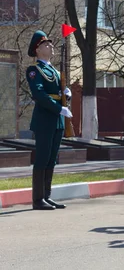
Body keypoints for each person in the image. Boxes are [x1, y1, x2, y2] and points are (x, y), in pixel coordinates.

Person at [26, 30, 73, 210]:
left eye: (51, 44)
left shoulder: (54, 70)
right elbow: (38, 94)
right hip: (45, 119)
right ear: (37, 50)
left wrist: (66, 95)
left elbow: (58, 93)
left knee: (52, 158)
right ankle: (37, 200)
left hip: (58, 120)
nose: (51, 46)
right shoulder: (34, 70)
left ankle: (46, 196)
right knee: (42, 158)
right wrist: (59, 107)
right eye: (46, 44)